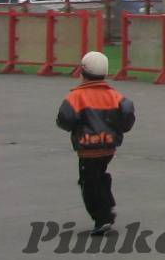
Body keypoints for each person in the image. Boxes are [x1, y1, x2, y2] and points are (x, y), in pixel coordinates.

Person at [55, 50, 136, 234]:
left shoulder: (76, 96)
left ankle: (102, 218)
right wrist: (118, 129)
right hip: (108, 146)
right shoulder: (114, 95)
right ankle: (108, 207)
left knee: (88, 183)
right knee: (99, 175)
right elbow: (127, 114)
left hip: (87, 148)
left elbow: (65, 119)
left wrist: (72, 127)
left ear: (82, 72)